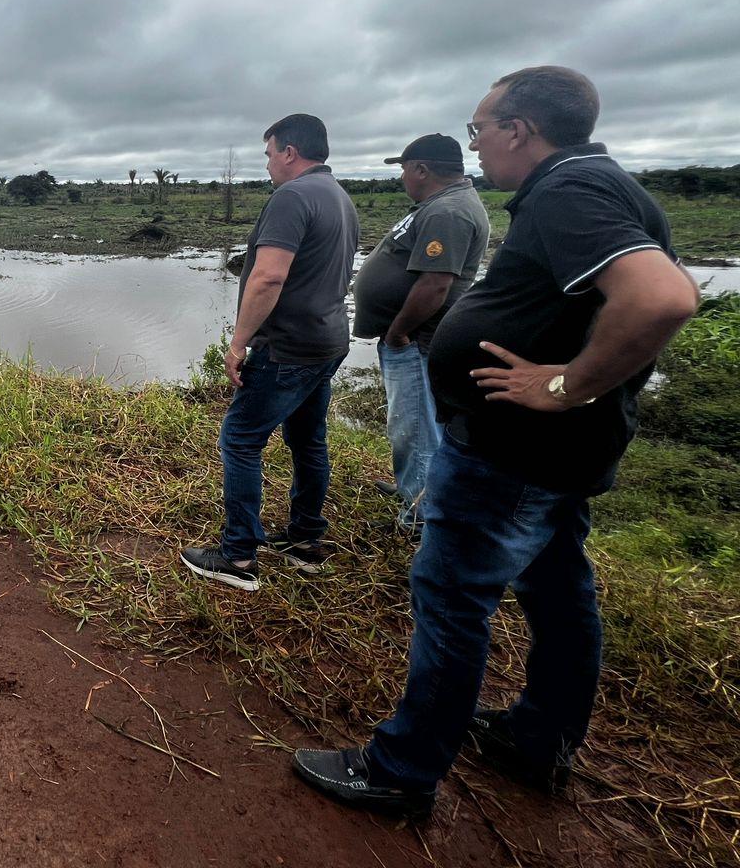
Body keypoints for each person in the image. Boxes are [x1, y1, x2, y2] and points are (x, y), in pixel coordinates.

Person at [293, 66, 699, 819]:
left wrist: (564, 385)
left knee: (451, 600)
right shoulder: (594, 183)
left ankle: (401, 770)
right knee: (559, 592)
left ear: (521, 130)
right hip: (554, 455)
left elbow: (664, 297)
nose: (474, 144)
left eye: (481, 129)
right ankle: (538, 738)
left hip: (514, 455)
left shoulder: (575, 190)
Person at [181, 114, 360, 592]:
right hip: (327, 342)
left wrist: (238, 342)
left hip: (286, 348)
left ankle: (237, 557)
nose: (267, 165)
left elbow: (268, 276)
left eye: (268, 154)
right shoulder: (339, 197)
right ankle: (305, 542)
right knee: (308, 441)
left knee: (240, 440)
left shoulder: (293, 196)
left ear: (289, 152)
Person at [351, 134, 490, 531]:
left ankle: (419, 516)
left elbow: (435, 284)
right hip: (413, 338)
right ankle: (410, 488)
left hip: (417, 339)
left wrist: (398, 332)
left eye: (404, 169)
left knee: (415, 426)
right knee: (414, 422)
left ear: (422, 169)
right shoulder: (438, 206)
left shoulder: (449, 211)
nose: (402, 177)